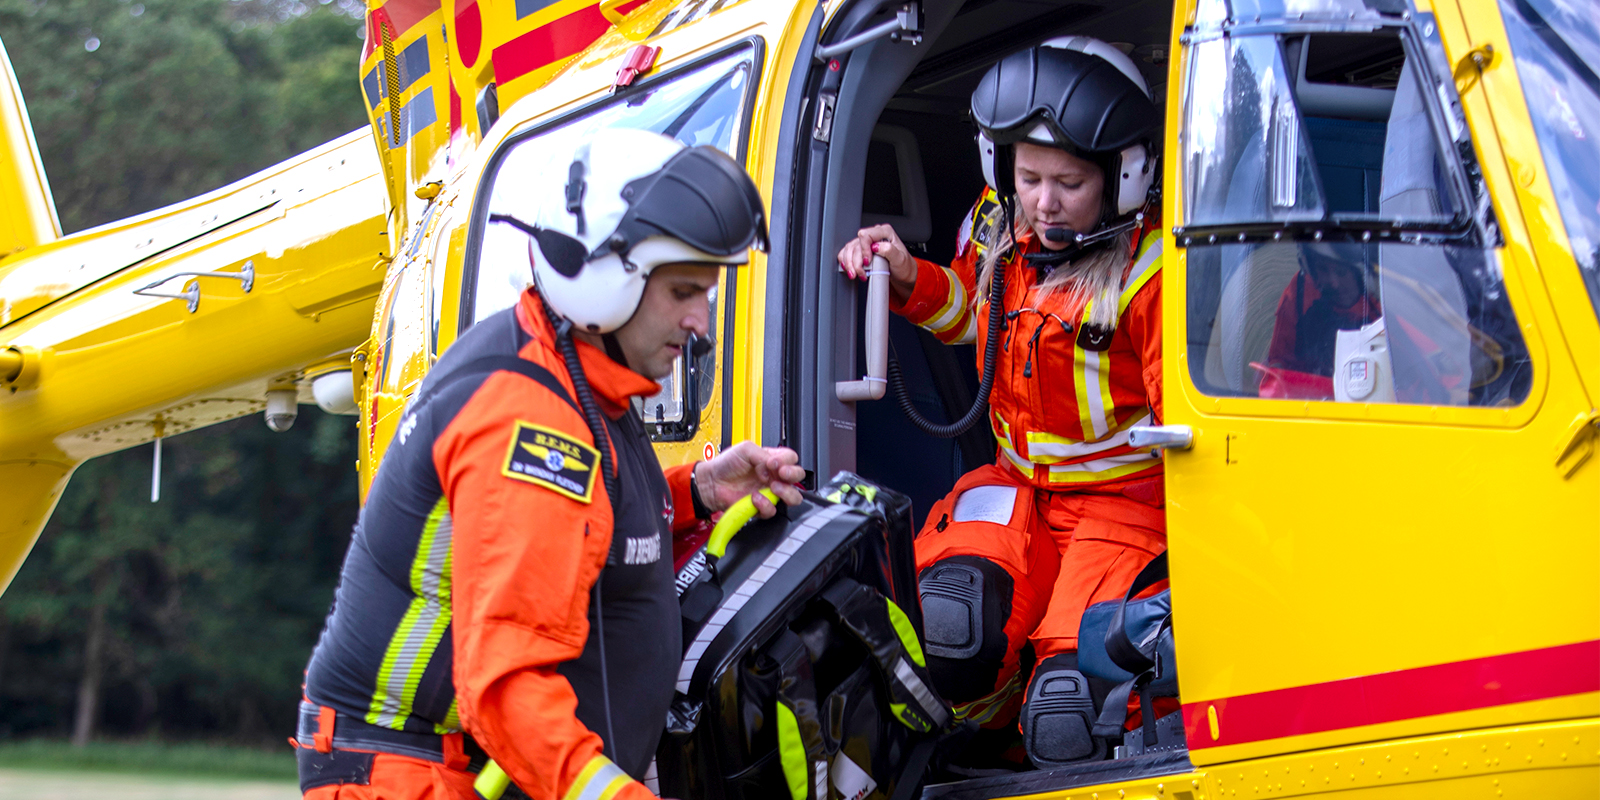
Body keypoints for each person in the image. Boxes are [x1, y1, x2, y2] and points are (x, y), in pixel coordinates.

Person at [294, 129, 804, 800]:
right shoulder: (531, 420)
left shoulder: (568, 374)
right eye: (684, 291)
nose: (700, 320)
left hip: (442, 766)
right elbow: (506, 686)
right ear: (602, 278)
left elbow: (575, 527)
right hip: (408, 775)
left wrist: (697, 492)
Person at [837, 38, 1165, 767]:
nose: (1044, 202)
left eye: (1070, 183)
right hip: (1016, 488)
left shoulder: (1153, 275)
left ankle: (1040, 755)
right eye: (1030, 177)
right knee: (950, 621)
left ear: (1123, 177)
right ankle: (970, 751)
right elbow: (970, 320)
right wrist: (901, 276)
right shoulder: (999, 231)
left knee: (1073, 704)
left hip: (1123, 510)